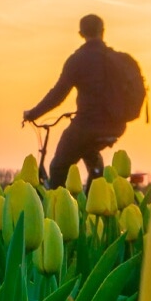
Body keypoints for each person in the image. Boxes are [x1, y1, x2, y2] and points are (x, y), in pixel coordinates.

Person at [23, 14, 127, 189]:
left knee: (58, 166)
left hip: (87, 124)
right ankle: (97, 194)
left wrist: (33, 113)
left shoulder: (78, 60)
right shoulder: (114, 59)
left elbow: (57, 95)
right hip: (115, 125)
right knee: (89, 152)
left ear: (81, 33)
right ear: (102, 31)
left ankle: (56, 204)